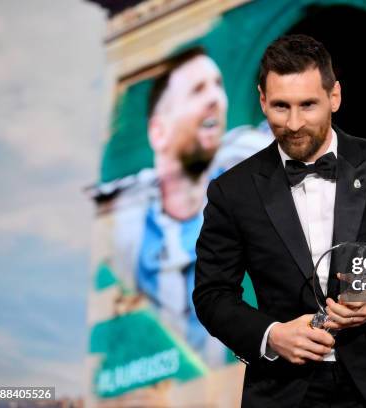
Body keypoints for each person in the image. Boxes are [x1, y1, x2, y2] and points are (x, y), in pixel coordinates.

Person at [193, 34, 366, 407]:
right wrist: (271, 335)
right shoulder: (231, 192)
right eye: (280, 107)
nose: (293, 123)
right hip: (282, 391)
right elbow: (212, 295)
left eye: (308, 105)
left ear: (334, 97)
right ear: (262, 100)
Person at [130, 46, 272, 368]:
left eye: (218, 85)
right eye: (197, 89)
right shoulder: (129, 232)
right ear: (159, 131)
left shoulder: (246, 163)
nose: (215, 98)